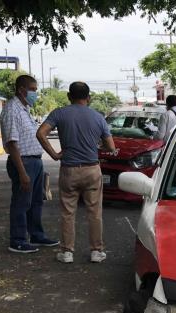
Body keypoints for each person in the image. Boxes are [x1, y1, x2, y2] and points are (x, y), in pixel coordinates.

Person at [36, 81, 116, 264]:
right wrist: (97, 144)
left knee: (67, 212)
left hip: (69, 170)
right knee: (95, 212)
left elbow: (41, 133)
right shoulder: (98, 117)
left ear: (69, 96)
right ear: (88, 98)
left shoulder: (59, 113)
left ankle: (67, 252)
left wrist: (55, 155)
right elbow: (111, 147)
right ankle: (96, 251)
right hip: (92, 170)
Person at [0, 74, 59, 253]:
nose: (35, 93)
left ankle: (36, 235)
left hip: (35, 161)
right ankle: (17, 240)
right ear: (21, 90)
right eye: (33, 90)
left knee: (36, 202)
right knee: (21, 202)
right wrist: (22, 172)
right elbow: (12, 143)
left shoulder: (25, 109)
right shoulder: (12, 110)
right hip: (23, 162)